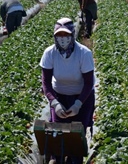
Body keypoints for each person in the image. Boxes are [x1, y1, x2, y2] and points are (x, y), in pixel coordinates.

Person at [40, 17, 95, 164]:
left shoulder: (84, 53)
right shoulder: (49, 53)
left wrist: (78, 104)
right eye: (59, 35)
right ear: (54, 36)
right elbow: (46, 82)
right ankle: (57, 159)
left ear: (72, 34)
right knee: (57, 135)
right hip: (59, 96)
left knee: (76, 137)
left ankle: (75, 160)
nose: (62, 39)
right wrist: (55, 103)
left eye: (66, 35)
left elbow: (89, 83)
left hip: (82, 96)